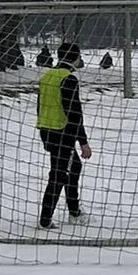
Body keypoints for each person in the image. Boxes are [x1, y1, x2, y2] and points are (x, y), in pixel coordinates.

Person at [36, 41, 93, 228]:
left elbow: (40, 105)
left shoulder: (47, 75)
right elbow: (74, 112)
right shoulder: (68, 79)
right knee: (59, 174)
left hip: (46, 129)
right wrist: (83, 142)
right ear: (76, 58)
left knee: (74, 166)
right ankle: (46, 219)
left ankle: (74, 210)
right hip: (62, 132)